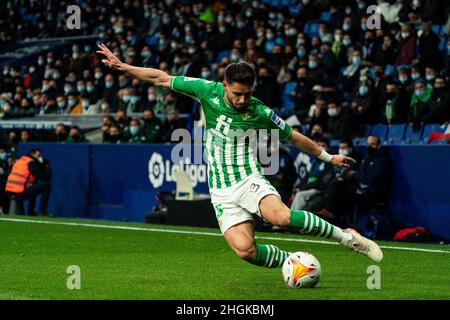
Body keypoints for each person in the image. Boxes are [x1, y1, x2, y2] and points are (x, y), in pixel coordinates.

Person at [97, 43, 383, 268]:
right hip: (220, 190)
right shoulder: (205, 91)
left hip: (248, 178)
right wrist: (123, 67)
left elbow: (293, 136)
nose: (243, 99)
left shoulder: (259, 111)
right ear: (224, 86)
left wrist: (327, 157)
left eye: (247, 93)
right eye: (237, 94)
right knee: (246, 251)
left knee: (281, 217)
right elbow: (161, 78)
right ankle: (292, 262)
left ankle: (349, 239)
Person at [319, 136, 390, 228]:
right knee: (338, 184)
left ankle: (330, 214)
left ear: (379, 146)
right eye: (367, 144)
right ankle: (331, 216)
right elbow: (361, 174)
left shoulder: (381, 161)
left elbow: (369, 180)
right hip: (360, 189)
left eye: (372, 144)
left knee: (339, 187)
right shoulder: (367, 157)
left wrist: (354, 174)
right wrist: (355, 175)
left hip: (370, 194)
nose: (369, 146)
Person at [4, 148, 51, 216]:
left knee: (33, 185)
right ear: (33, 154)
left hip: (9, 192)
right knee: (47, 185)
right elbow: (45, 177)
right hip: (19, 192)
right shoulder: (31, 163)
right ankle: (41, 211)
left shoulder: (20, 161)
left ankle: (31, 212)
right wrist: (46, 166)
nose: (40, 157)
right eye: (38, 155)